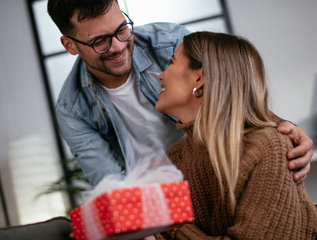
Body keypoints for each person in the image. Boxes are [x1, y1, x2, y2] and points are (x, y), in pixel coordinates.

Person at [47, 0, 313, 187]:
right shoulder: (72, 110)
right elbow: (110, 184)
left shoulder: (169, 42)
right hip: (153, 202)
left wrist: (281, 127)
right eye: (99, 42)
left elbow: (228, 88)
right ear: (69, 44)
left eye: (121, 29)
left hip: (210, 173)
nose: (117, 46)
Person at [151, 31, 317, 239]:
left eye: (171, 63)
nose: (160, 75)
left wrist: (174, 226)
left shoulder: (267, 147)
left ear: (199, 78)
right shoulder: (174, 159)